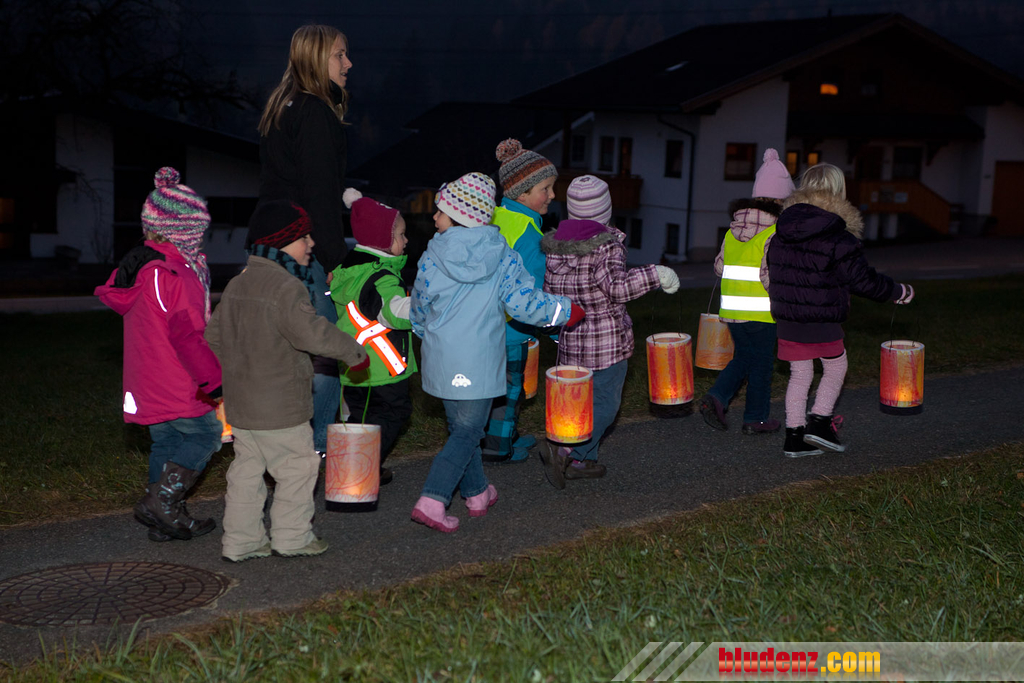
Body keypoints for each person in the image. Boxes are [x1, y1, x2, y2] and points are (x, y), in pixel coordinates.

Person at [409, 172, 582, 533]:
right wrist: (564, 310)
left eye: (440, 211)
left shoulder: (432, 255)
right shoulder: (501, 255)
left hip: (441, 357)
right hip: (479, 359)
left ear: (459, 216)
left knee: (462, 428)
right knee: (468, 431)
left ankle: (476, 493)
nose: (434, 217)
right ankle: (433, 499)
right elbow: (523, 302)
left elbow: (421, 301)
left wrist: (423, 331)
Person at [206, 201, 368, 562]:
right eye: (303, 237)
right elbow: (312, 332)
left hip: (242, 405)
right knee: (297, 468)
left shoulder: (237, 284)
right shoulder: (286, 287)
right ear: (280, 243)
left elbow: (213, 338)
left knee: (246, 472)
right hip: (280, 405)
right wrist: (353, 352)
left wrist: (218, 382)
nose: (311, 243)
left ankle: (241, 541)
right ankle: (293, 537)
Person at [95, 167, 222, 543]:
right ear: (186, 230)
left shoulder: (140, 269)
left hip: (145, 379)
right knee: (206, 435)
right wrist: (214, 381)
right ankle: (162, 502)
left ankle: (164, 518)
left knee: (165, 443)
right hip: (176, 379)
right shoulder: (175, 273)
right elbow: (187, 336)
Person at [538, 175, 679, 489]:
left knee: (580, 403)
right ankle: (565, 450)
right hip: (607, 346)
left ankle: (581, 461)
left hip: (571, 344)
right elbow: (617, 287)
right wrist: (656, 274)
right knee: (605, 405)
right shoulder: (607, 246)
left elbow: (550, 293)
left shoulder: (556, 249)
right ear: (605, 211)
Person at [767, 163, 915, 457]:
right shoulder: (838, 236)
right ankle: (820, 422)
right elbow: (862, 280)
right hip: (822, 317)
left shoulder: (781, 231)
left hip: (787, 317)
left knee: (800, 374)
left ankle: (794, 436)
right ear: (838, 190)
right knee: (835, 367)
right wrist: (897, 291)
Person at [257, 24, 354, 456]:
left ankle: (283, 452)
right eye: (339, 55)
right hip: (304, 249)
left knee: (285, 351)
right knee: (323, 350)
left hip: (271, 245)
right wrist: (335, 258)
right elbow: (319, 193)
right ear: (316, 59)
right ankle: (314, 455)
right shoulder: (314, 112)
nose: (348, 63)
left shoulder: (284, 106)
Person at [698, 148, 793, 435]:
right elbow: (769, 276)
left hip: (732, 312)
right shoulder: (775, 232)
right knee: (761, 365)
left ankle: (720, 400)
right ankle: (752, 416)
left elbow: (719, 267)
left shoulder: (732, 231)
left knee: (745, 357)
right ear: (780, 200)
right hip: (762, 313)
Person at [329, 189, 416, 486]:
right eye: (401, 235)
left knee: (362, 417)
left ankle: (352, 470)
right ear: (382, 240)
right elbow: (393, 313)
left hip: (355, 364)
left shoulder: (350, 271)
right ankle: (359, 469)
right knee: (393, 413)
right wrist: (424, 306)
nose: (406, 240)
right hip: (382, 367)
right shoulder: (382, 277)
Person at [482, 138, 559, 464]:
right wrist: (554, 326)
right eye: (545, 189)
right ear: (522, 194)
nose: (552, 195)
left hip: (484, 323)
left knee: (492, 386)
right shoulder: (529, 234)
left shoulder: (496, 216)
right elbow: (533, 290)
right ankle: (498, 448)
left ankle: (505, 435)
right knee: (510, 389)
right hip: (510, 328)